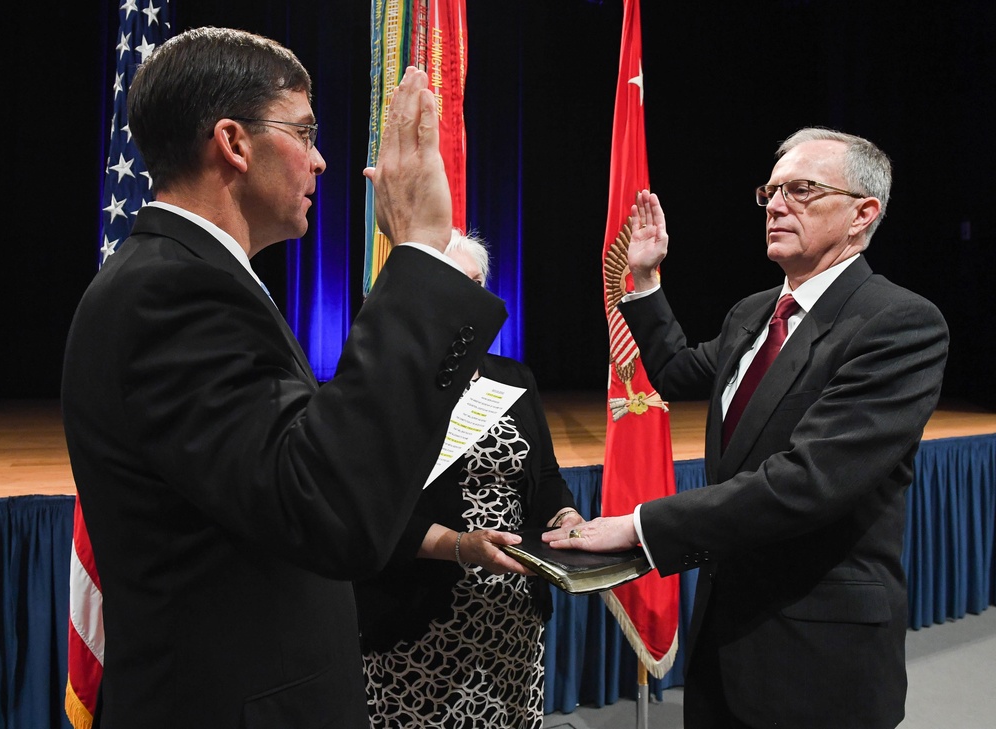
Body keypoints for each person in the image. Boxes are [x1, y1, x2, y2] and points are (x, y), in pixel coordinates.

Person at [60, 27, 507, 729]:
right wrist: (418, 256)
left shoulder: (185, 281)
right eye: (304, 131)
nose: (322, 161)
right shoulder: (170, 294)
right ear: (234, 144)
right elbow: (329, 506)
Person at [544, 128, 949, 729]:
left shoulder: (899, 323)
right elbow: (679, 372)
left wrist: (638, 525)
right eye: (772, 190)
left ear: (864, 213)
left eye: (803, 189)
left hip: (817, 654)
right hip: (723, 637)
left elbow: (806, 482)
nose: (778, 204)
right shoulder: (754, 312)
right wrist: (648, 282)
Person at [355, 230, 583, 729]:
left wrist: (566, 515)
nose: (474, 301)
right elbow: (369, 513)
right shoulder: (384, 388)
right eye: (459, 286)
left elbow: (543, 476)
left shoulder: (514, 377)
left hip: (512, 616)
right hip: (420, 619)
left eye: (479, 285)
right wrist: (461, 546)